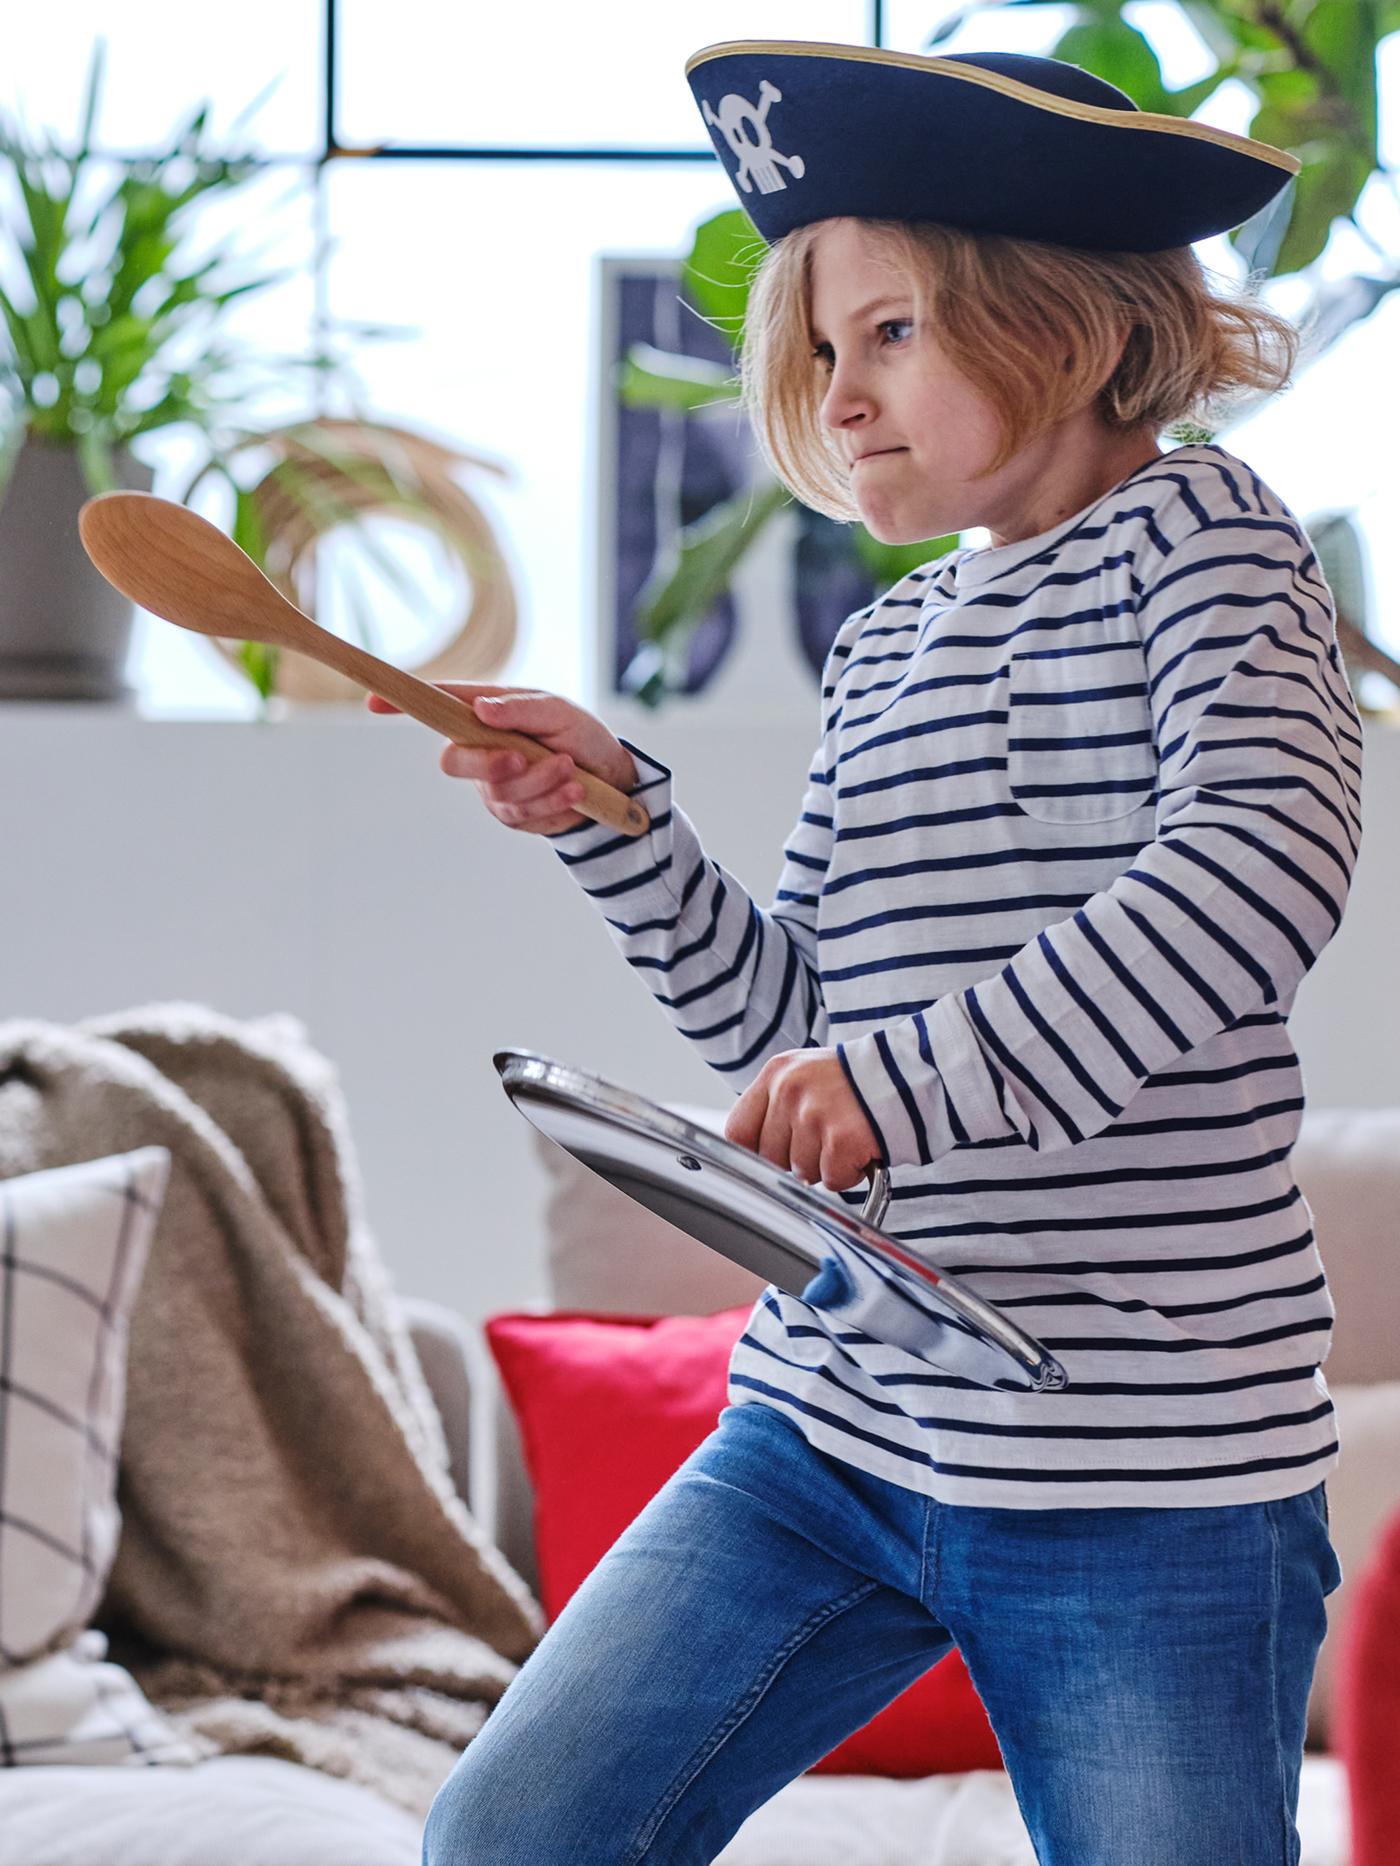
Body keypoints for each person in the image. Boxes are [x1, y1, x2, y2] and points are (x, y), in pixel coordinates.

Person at [383, 42, 1359, 1866]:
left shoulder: (1209, 543)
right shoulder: (886, 655)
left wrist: (890, 1087)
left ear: (1060, 312)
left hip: (1143, 1477)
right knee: (510, 1835)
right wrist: (622, 826)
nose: (842, 397)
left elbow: (1255, 871)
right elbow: (793, 1033)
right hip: (832, 1427)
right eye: (823, 355)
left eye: (892, 332)